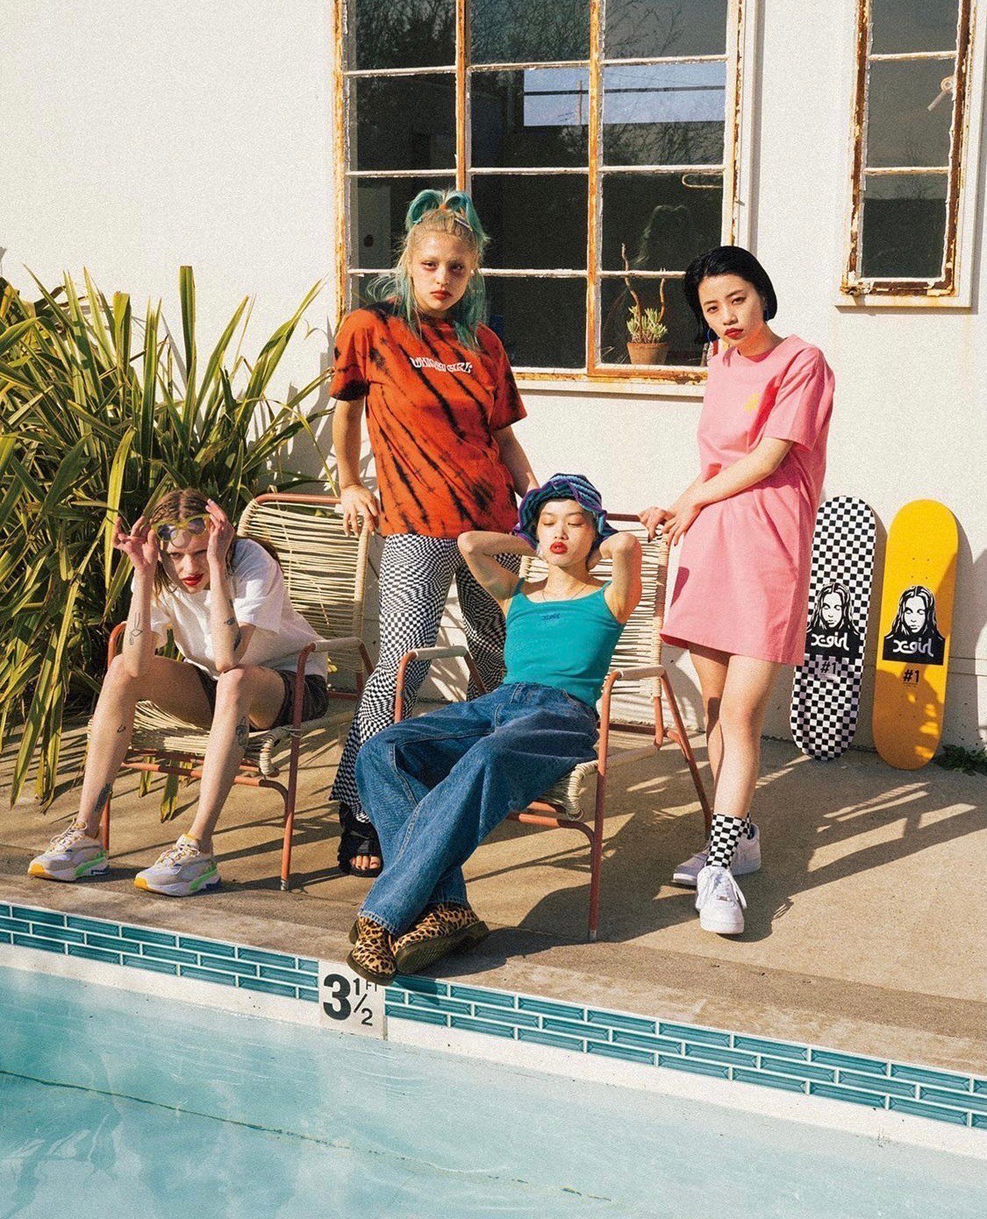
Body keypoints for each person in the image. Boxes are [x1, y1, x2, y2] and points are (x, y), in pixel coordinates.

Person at [345, 474, 642, 984]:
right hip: (498, 703)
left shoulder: (609, 598)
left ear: (594, 531)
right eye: (548, 522)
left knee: (487, 756)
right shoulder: (516, 592)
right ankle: (448, 908)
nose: (559, 532)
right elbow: (468, 543)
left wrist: (600, 537)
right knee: (382, 750)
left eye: (574, 523)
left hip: (562, 716)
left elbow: (629, 546)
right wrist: (530, 535)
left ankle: (381, 916)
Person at [328, 188, 537, 877]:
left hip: (490, 522)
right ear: (408, 263)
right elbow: (346, 412)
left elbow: (501, 438)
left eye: (456, 267)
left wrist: (535, 500)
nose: (443, 278)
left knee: (494, 657)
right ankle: (361, 804)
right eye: (430, 264)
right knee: (403, 665)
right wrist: (349, 482)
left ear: (471, 273)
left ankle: (474, 784)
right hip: (415, 521)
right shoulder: (371, 327)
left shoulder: (484, 343)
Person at [640, 246, 834, 936]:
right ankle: (734, 841)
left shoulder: (802, 362)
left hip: (768, 550)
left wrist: (696, 501)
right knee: (716, 712)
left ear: (762, 294)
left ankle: (719, 871)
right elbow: (715, 464)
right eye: (712, 307)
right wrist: (676, 505)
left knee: (742, 716)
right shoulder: (720, 362)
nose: (726, 317)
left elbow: (767, 457)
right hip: (711, 545)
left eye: (737, 300)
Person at [28, 489, 329, 896]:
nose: (188, 567)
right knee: (120, 670)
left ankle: (198, 848)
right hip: (218, 690)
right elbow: (137, 666)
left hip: (291, 685)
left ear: (221, 541)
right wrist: (143, 573)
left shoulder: (251, 561)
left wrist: (218, 566)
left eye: (200, 552)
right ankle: (86, 836)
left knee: (234, 678)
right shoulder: (158, 572)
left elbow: (227, 657)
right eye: (175, 556)